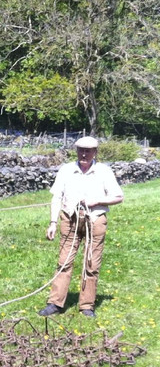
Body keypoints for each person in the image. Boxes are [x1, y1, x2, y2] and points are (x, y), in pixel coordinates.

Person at [38, 136, 123, 318]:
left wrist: (97, 200)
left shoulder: (104, 171)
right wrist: (53, 223)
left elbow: (118, 196)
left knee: (91, 264)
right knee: (64, 262)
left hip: (95, 219)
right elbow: (56, 197)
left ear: (95, 152)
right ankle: (55, 303)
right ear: (76, 151)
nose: (84, 154)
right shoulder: (66, 170)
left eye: (88, 151)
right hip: (69, 219)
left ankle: (86, 305)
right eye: (81, 150)